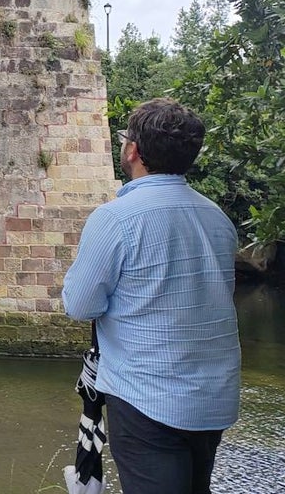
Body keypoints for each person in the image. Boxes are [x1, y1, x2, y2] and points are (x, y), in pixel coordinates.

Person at [63, 97, 240, 494]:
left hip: (148, 397)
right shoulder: (218, 218)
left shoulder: (115, 219)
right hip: (213, 398)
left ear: (133, 150)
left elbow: (80, 305)